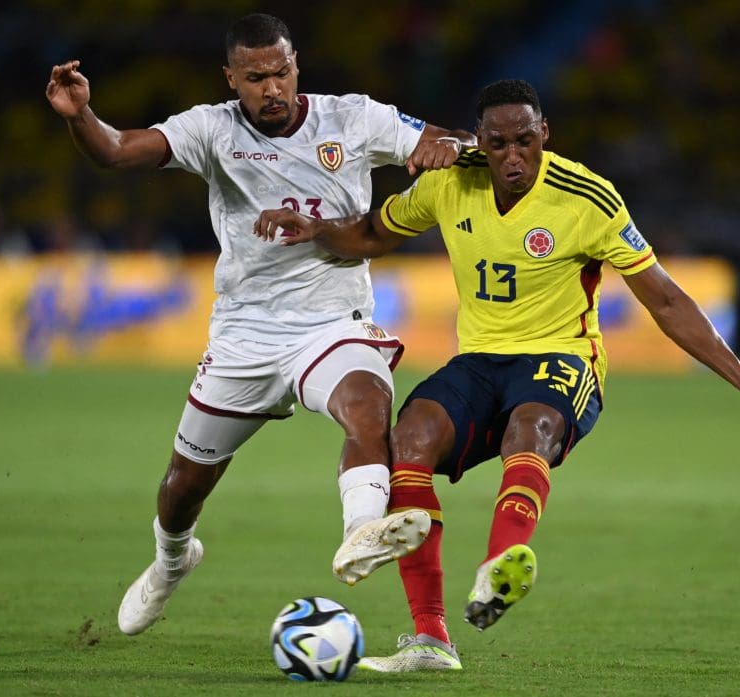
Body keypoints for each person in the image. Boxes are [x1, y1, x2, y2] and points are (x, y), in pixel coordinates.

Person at [254, 78, 740, 671]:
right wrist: (317, 230)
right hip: (481, 360)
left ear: (545, 133)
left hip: (562, 359)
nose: (513, 156)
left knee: (531, 428)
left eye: (525, 140)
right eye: (497, 144)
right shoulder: (448, 180)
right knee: (409, 438)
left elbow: (667, 301)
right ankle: (431, 639)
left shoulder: (587, 198)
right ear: (480, 143)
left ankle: (502, 564)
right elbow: (372, 235)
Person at [45, 13, 475, 637]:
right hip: (245, 333)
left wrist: (448, 147)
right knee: (183, 484)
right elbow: (116, 151)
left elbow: (455, 139)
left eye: (281, 73)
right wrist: (79, 115)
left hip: (332, 320)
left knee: (366, 403)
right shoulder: (211, 129)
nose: (271, 88)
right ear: (232, 79)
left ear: (296, 66)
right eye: (255, 78)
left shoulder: (352, 118)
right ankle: (172, 560)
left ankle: (362, 532)